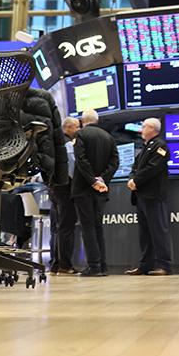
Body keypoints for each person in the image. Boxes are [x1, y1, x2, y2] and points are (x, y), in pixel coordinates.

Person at [71, 109, 119, 277]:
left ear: (83, 121)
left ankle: (93, 266)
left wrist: (92, 180)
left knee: (88, 227)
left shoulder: (81, 135)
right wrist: (102, 179)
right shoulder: (109, 137)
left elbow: (80, 160)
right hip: (101, 190)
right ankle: (103, 265)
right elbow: (115, 162)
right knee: (98, 227)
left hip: (84, 189)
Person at [125, 118, 173, 276]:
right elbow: (135, 167)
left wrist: (136, 180)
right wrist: (132, 179)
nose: (141, 129)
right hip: (141, 196)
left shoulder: (161, 146)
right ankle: (145, 265)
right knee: (144, 234)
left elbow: (153, 167)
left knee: (159, 231)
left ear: (152, 128)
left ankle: (164, 265)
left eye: (144, 126)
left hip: (154, 196)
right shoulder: (145, 148)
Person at [50, 117, 81, 275]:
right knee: (66, 227)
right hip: (66, 190)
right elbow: (72, 168)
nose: (78, 130)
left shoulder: (54, 142)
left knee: (57, 228)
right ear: (69, 127)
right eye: (77, 127)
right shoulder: (68, 144)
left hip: (54, 189)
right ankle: (65, 265)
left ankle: (55, 264)